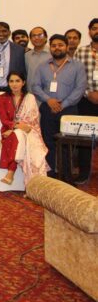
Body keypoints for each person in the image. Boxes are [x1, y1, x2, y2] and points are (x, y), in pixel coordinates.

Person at [32, 34, 87, 178]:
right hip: (48, 109)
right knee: (48, 143)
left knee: (67, 145)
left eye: (60, 45)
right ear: (50, 48)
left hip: (68, 110)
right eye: (54, 45)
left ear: (67, 47)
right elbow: (35, 86)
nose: (57, 48)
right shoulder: (43, 66)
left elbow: (80, 88)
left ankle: (67, 177)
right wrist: (48, 100)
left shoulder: (77, 66)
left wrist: (64, 104)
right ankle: (50, 176)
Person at [0, 72, 49, 185]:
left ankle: (11, 172)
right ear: (8, 83)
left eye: (17, 81)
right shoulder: (2, 98)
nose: (14, 84)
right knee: (19, 134)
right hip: (8, 130)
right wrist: (15, 127)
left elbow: (32, 119)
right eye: (11, 81)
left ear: (23, 82)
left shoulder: (30, 98)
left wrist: (18, 128)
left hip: (29, 130)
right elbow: (4, 119)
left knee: (21, 136)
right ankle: (16, 175)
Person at [74, 18, 98, 184]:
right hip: (86, 100)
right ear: (89, 31)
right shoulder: (80, 52)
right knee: (84, 139)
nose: (97, 31)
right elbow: (76, 77)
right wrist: (88, 93)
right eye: (94, 28)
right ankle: (83, 172)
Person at [25, 26, 51, 96]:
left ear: (46, 37)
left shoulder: (53, 54)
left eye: (40, 35)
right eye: (34, 36)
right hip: (31, 95)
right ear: (30, 39)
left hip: (48, 95)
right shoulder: (27, 56)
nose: (37, 38)